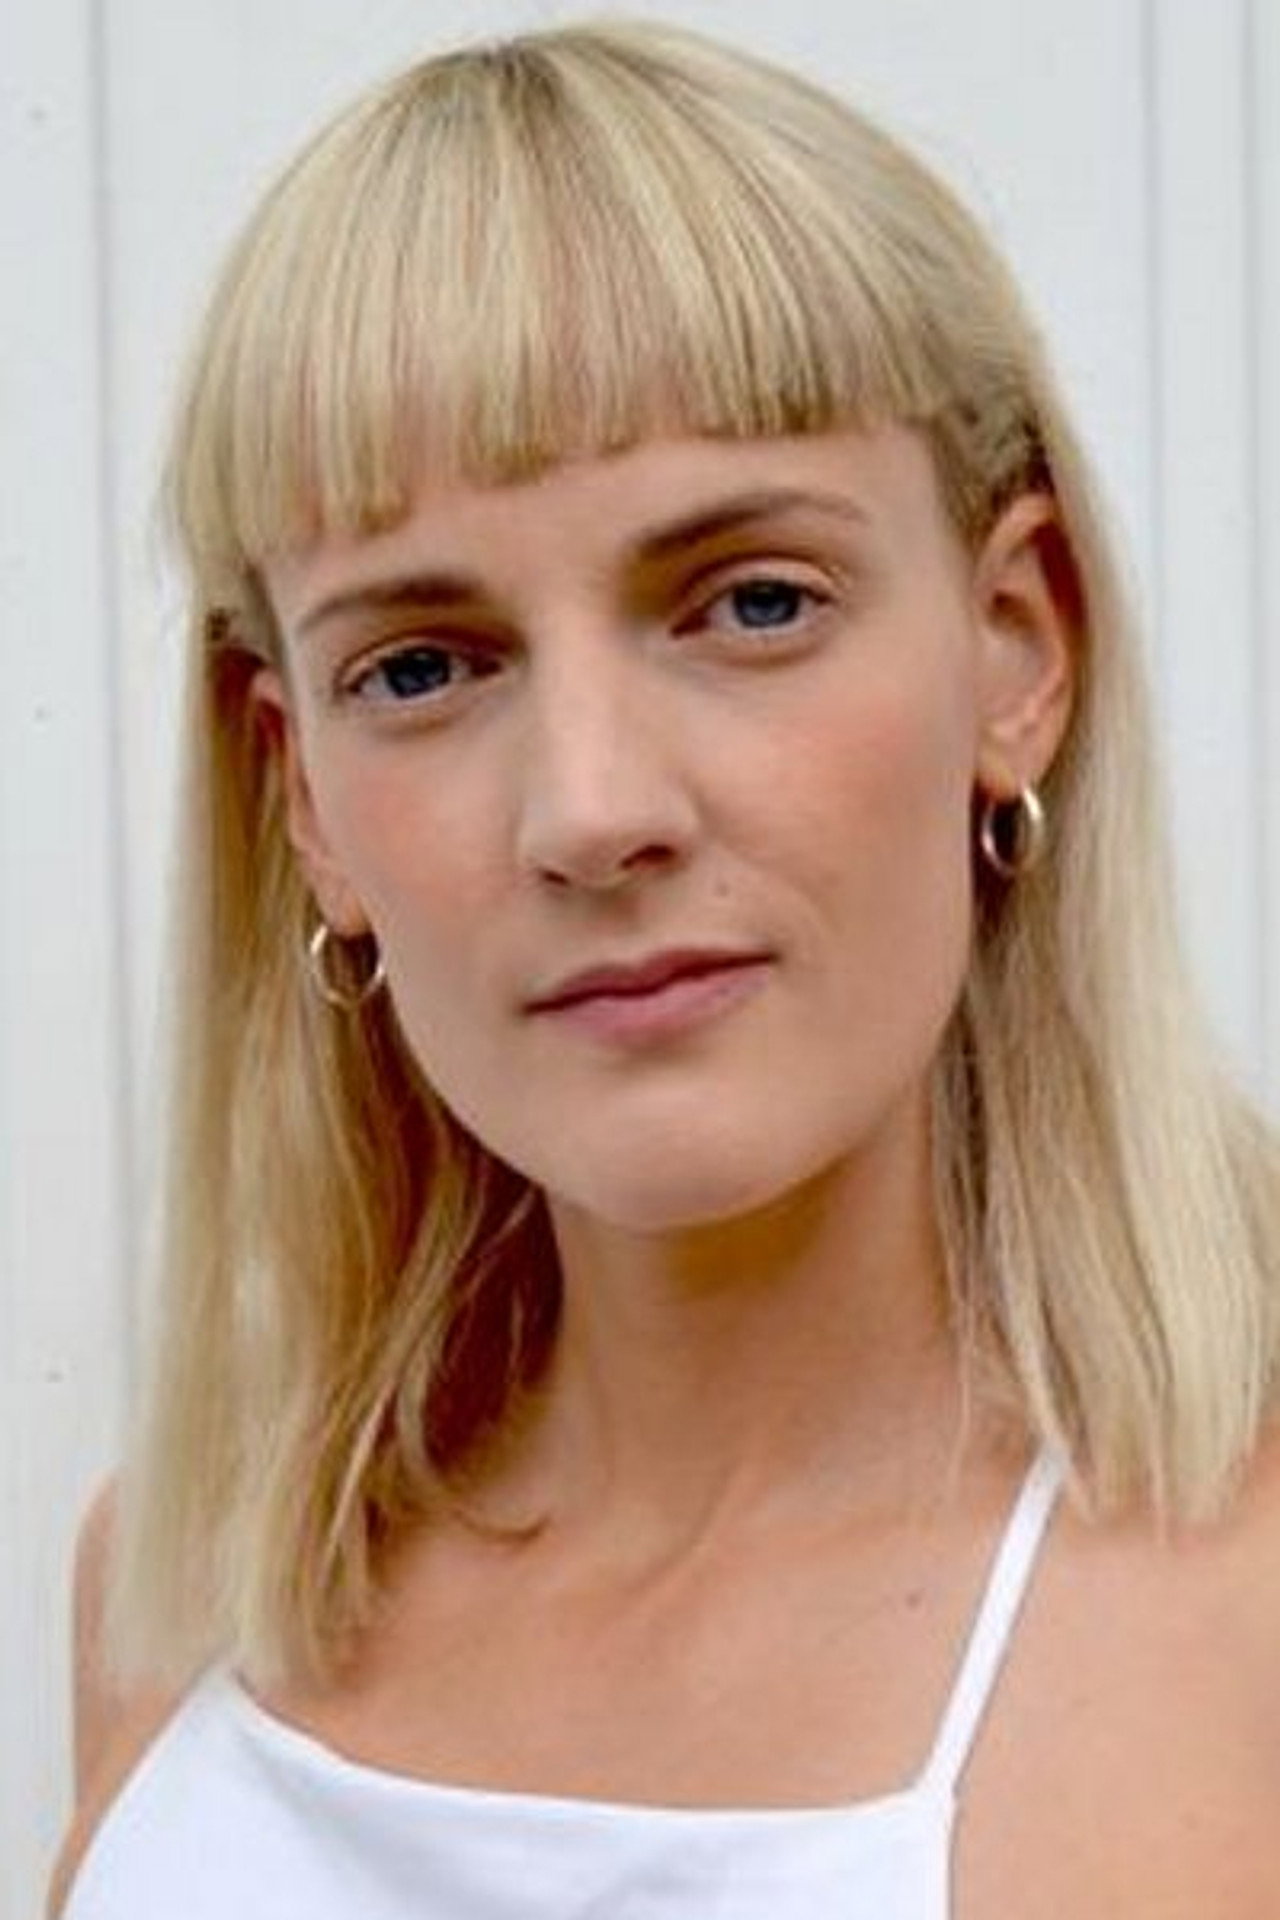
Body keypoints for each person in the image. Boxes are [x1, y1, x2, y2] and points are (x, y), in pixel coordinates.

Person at [49, 17, 1280, 1918]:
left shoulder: (1239, 1617)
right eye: (422, 666)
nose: (593, 810)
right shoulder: (192, 1592)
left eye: (752, 603)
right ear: (302, 797)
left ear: (1018, 649)